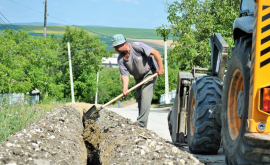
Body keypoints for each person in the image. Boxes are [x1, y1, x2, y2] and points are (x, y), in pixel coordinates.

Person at [112, 34, 164, 128]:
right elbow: (124, 75)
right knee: (140, 99)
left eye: (116, 47)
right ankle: (142, 126)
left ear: (123, 44)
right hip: (138, 78)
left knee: (145, 95)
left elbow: (155, 52)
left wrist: (161, 68)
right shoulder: (120, 59)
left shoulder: (137, 46)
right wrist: (125, 88)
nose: (115, 49)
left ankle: (140, 123)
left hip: (150, 72)